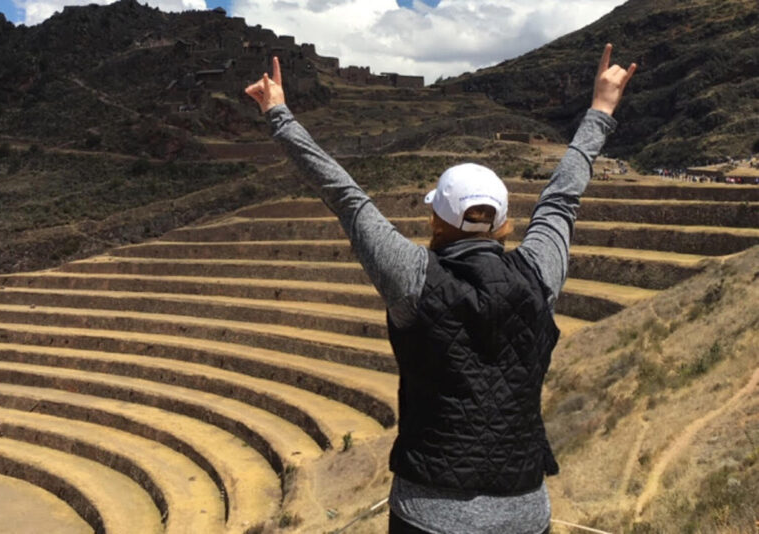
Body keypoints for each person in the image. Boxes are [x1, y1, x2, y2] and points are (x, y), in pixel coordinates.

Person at [245, 44, 636, 534]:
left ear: (435, 219)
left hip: (427, 515)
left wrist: (278, 114)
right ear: (505, 224)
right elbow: (563, 197)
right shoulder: (540, 274)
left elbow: (345, 195)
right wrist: (601, 109)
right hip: (524, 512)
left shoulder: (412, 278)